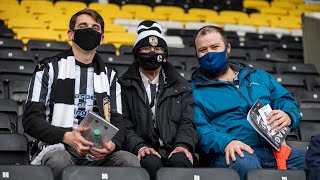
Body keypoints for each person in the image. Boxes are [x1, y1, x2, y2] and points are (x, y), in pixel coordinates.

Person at [22, 9, 139, 180]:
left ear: (102, 38)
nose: (89, 30)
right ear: (71, 34)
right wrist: (67, 137)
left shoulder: (110, 75)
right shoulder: (48, 68)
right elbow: (31, 119)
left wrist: (112, 145)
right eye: (83, 26)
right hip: (58, 146)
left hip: (97, 152)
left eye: (95, 27)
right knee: (59, 160)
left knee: (129, 161)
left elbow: (118, 121)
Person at [191, 25, 305, 180]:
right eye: (203, 50)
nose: (209, 54)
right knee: (245, 162)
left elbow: (284, 99)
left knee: (313, 159)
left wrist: (289, 115)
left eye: (215, 47)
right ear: (196, 54)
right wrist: (226, 142)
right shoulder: (193, 91)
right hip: (232, 153)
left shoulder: (259, 77)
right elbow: (198, 129)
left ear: (228, 48)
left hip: (274, 150)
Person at [119, 20, 198, 180]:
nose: (152, 53)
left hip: (174, 146)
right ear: (136, 55)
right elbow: (124, 124)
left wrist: (182, 145)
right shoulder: (123, 84)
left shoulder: (181, 84)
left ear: (165, 56)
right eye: (145, 49)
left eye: (157, 49)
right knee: (150, 162)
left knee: (180, 161)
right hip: (142, 148)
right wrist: (139, 146)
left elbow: (187, 121)